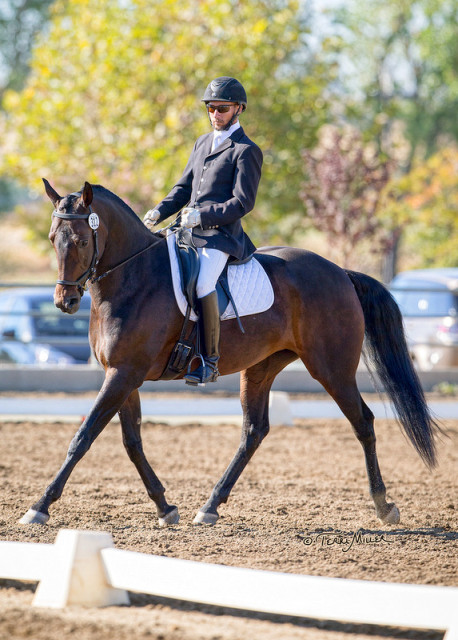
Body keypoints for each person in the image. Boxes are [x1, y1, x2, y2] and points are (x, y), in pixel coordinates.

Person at [144, 76, 263, 385]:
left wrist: (202, 216)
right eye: (210, 108)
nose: (215, 114)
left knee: (203, 283)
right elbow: (183, 188)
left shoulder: (246, 150)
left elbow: (242, 202)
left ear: (238, 109)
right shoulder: (201, 142)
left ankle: (209, 361)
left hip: (220, 237)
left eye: (222, 108)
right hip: (186, 232)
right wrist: (157, 212)